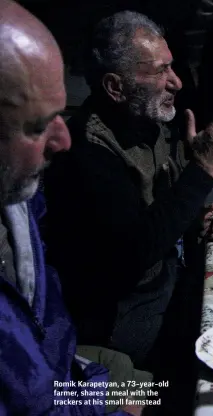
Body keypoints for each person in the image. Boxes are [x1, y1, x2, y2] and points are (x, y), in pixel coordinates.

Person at [42, 10, 213, 412]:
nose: (176, 82)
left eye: (172, 66)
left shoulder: (150, 126)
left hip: (169, 293)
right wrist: (204, 167)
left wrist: (199, 217)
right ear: (115, 87)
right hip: (119, 328)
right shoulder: (84, 154)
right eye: (160, 72)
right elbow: (133, 252)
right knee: (207, 395)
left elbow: (163, 214)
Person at [0, 1, 151, 414]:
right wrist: (109, 408)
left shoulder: (19, 200)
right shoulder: (90, 155)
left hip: (74, 376)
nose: (63, 142)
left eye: (60, 115)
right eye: (36, 126)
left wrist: (93, 391)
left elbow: (49, 334)